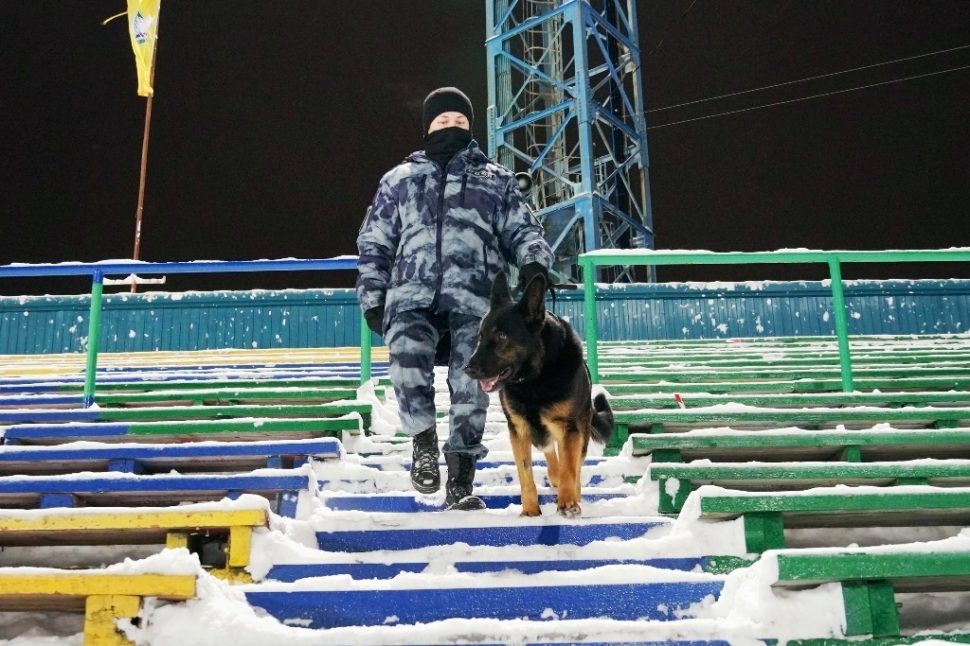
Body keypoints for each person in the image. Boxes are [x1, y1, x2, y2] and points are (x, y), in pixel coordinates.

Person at [356, 86, 554, 510]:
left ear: (470, 127)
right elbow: (375, 243)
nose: (451, 127)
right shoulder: (398, 180)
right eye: (443, 121)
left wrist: (535, 263)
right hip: (410, 294)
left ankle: (461, 477)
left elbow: (525, 229)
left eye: (460, 122)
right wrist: (373, 297)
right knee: (407, 360)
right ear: (428, 127)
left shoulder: (496, 179)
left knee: (472, 382)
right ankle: (423, 446)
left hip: (476, 301)